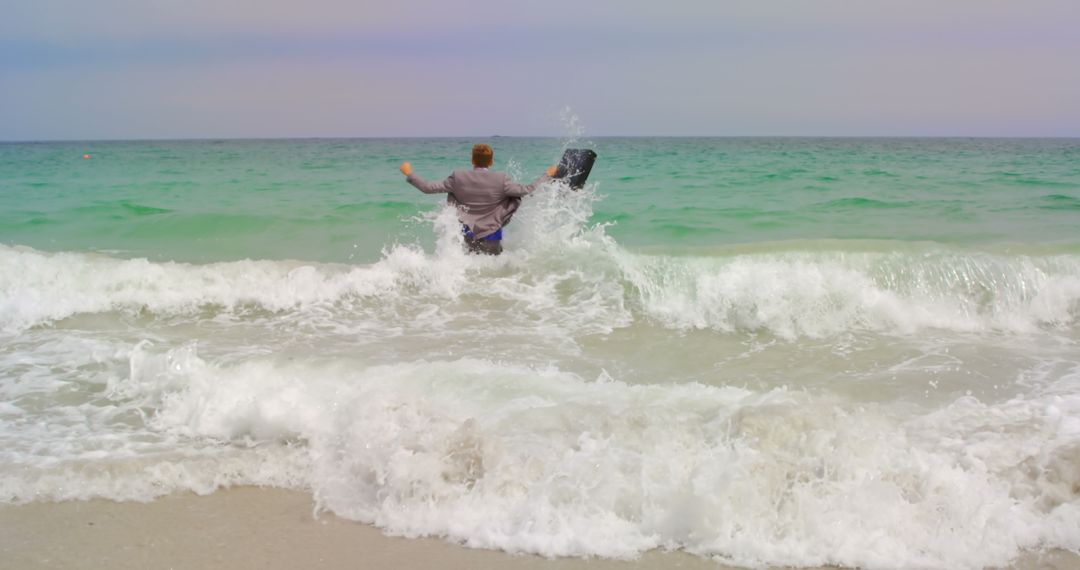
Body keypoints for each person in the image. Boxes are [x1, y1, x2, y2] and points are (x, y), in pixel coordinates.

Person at [400, 144, 556, 255]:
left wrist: (409, 173)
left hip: (468, 232)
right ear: (491, 162)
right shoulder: (501, 179)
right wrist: (547, 175)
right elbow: (528, 190)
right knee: (493, 270)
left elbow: (427, 188)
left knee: (470, 269)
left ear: (473, 161)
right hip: (492, 234)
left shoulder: (458, 177)